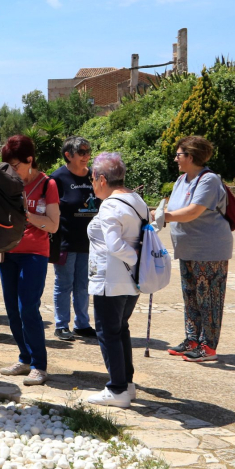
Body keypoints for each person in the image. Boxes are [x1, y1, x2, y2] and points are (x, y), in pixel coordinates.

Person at [157, 136, 233, 363]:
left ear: (190, 156)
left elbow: (192, 212)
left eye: (178, 155)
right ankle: (192, 340)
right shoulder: (181, 180)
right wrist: (163, 214)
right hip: (187, 249)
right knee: (191, 297)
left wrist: (162, 217)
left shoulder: (208, 180)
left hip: (209, 250)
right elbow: (174, 208)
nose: (175, 159)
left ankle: (207, 346)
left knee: (208, 299)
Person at [83, 152, 145, 408]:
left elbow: (114, 245)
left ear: (101, 179)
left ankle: (117, 389)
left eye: (92, 179)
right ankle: (126, 384)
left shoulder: (109, 205)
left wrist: (134, 258)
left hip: (111, 280)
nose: (92, 184)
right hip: (132, 281)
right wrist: (138, 262)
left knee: (108, 333)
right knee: (120, 330)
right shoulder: (136, 199)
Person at [0, 135, 59, 386]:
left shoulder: (48, 184)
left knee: (28, 308)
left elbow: (53, 225)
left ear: (30, 160)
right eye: (8, 167)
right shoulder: (8, 182)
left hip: (34, 253)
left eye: (16, 166)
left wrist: (27, 214)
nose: (13, 172)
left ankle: (39, 365)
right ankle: (24, 358)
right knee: (12, 309)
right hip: (8, 251)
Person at [50, 136, 99, 341]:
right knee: (64, 284)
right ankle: (61, 325)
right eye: (81, 152)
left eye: (88, 152)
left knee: (84, 285)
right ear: (68, 155)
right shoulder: (57, 178)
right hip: (65, 242)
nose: (86, 156)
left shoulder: (94, 176)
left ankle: (82, 324)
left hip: (89, 243)